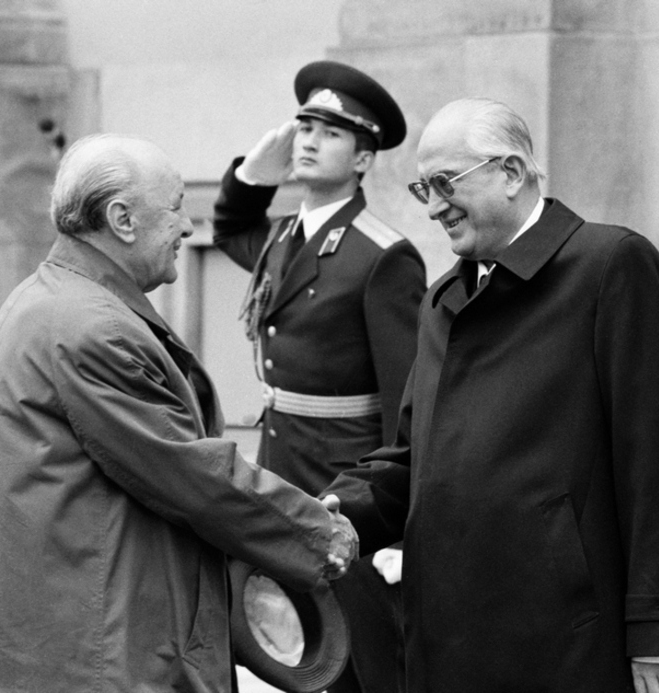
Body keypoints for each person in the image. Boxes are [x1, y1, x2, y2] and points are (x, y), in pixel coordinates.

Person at [0, 134, 357, 693]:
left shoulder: (52, 300)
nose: (189, 228)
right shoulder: (94, 328)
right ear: (122, 219)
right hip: (97, 655)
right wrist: (318, 533)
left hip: (76, 638)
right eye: (175, 207)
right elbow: (190, 472)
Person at [322, 98, 659, 693]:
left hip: (564, 640)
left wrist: (657, 627)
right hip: (442, 639)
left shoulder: (609, 265)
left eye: (445, 182)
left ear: (512, 172)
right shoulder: (441, 298)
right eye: (424, 187)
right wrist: (334, 512)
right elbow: (409, 461)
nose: (432, 207)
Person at [213, 61, 426, 693]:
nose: (307, 139)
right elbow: (230, 227)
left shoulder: (382, 255)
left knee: (365, 655)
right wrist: (253, 174)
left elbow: (407, 403)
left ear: (363, 159)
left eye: (330, 133)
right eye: (304, 125)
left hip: (347, 483)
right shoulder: (283, 239)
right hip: (283, 468)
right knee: (299, 654)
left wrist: (401, 525)